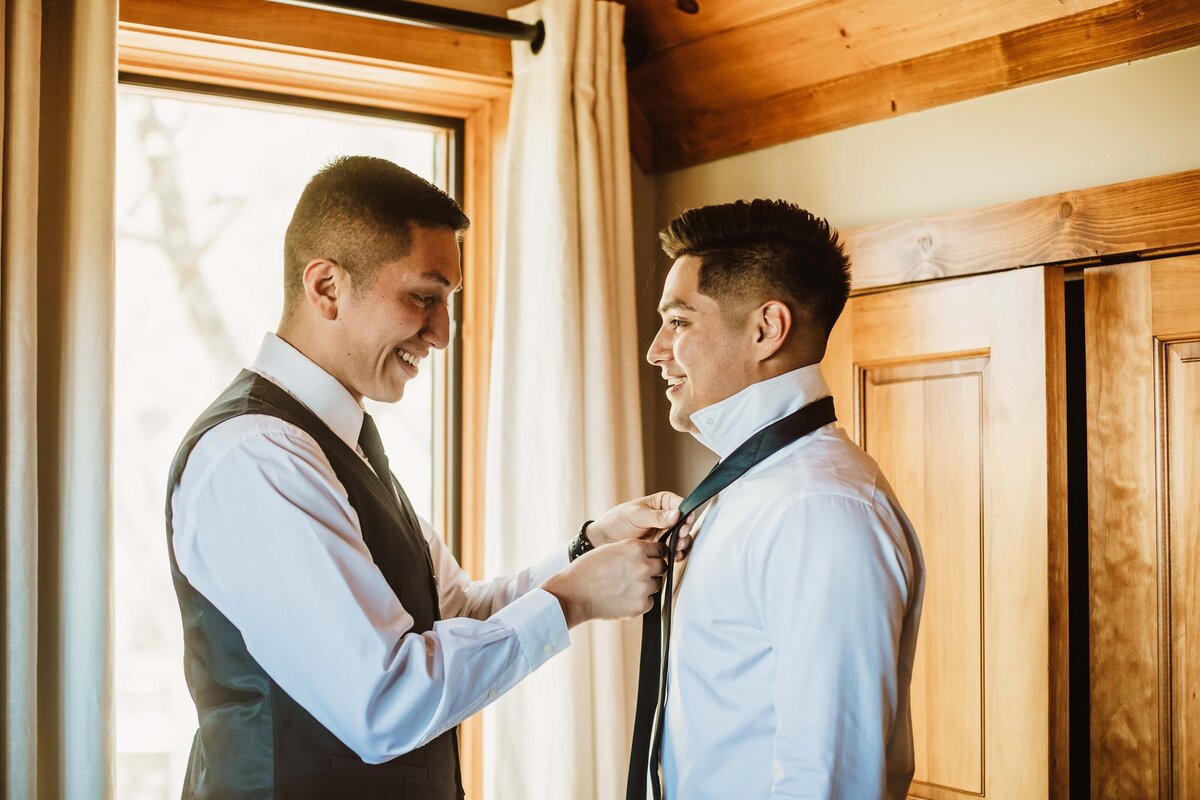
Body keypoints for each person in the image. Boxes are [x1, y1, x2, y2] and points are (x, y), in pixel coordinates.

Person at [166, 155, 686, 799]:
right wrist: (573, 599)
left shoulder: (336, 441)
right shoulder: (256, 456)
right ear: (326, 286)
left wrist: (587, 550)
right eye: (423, 296)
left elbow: (455, 613)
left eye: (447, 302)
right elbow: (384, 701)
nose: (441, 333)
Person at [641, 199, 925, 799]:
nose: (657, 349)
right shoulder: (750, 488)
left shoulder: (821, 509)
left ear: (767, 328)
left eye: (680, 321)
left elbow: (831, 780)